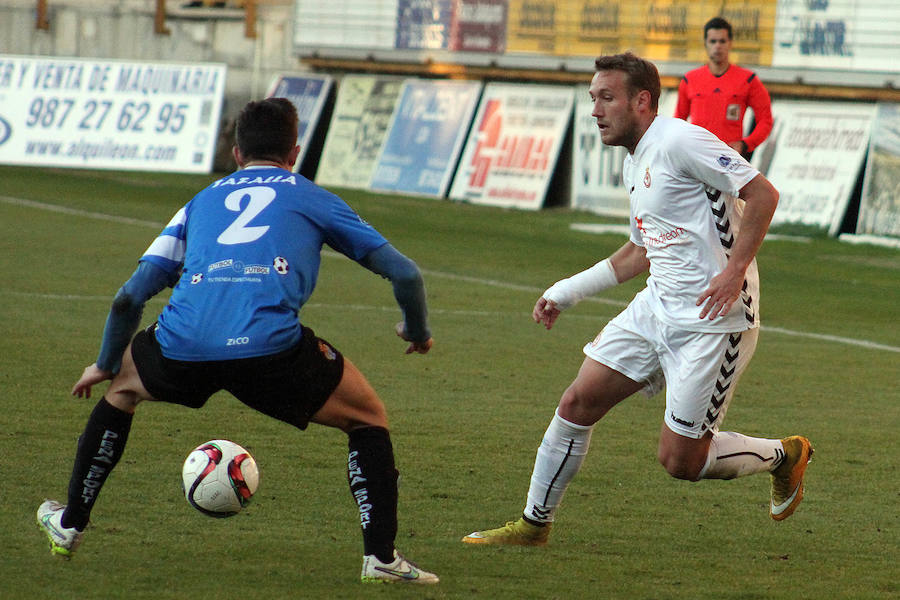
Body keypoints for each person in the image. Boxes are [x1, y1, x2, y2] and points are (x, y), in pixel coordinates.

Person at [37, 98, 439, 584]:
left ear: (235, 153)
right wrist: (415, 331)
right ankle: (381, 558)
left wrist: (104, 363)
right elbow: (406, 274)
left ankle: (69, 524)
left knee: (121, 390)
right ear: (294, 151)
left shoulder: (200, 202)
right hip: (270, 349)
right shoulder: (310, 195)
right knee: (368, 418)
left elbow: (128, 298)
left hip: (182, 343)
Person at [462, 53, 812, 547]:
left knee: (681, 462)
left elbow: (763, 195)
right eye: (592, 99)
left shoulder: (679, 140)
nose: (595, 110)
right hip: (656, 309)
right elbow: (637, 252)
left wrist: (734, 271)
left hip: (714, 323)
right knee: (577, 401)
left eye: (606, 97)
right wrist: (565, 292)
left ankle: (785, 455)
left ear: (642, 101)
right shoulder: (637, 159)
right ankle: (533, 524)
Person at [675, 16, 773, 160]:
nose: (717, 46)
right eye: (713, 41)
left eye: (722, 41)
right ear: (705, 44)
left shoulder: (748, 80)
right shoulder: (689, 80)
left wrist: (745, 144)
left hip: (729, 160)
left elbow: (766, 120)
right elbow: (678, 121)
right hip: (696, 158)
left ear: (730, 43)